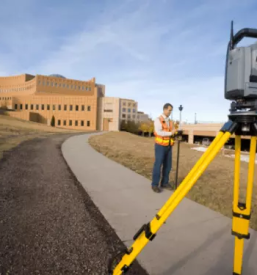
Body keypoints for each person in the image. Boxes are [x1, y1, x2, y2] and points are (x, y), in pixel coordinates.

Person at [151, 103, 176, 193]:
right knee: (158, 165)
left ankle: (164, 183)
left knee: (168, 166)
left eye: (171, 111)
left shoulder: (170, 121)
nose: (170, 112)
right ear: (164, 109)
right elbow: (159, 132)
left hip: (168, 146)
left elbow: (172, 131)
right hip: (160, 146)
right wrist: (171, 133)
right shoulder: (158, 120)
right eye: (169, 110)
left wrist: (176, 133)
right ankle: (155, 184)